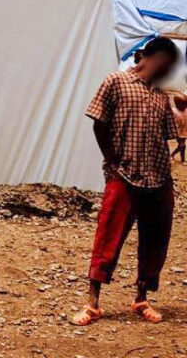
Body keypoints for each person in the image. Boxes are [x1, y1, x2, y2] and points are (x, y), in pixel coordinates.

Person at [73, 37, 184, 326]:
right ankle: (93, 303)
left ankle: (141, 298)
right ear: (151, 57)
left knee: (156, 237)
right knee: (109, 233)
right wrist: (111, 159)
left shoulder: (161, 94)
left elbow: (168, 136)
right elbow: (99, 122)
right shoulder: (115, 82)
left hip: (158, 177)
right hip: (123, 174)